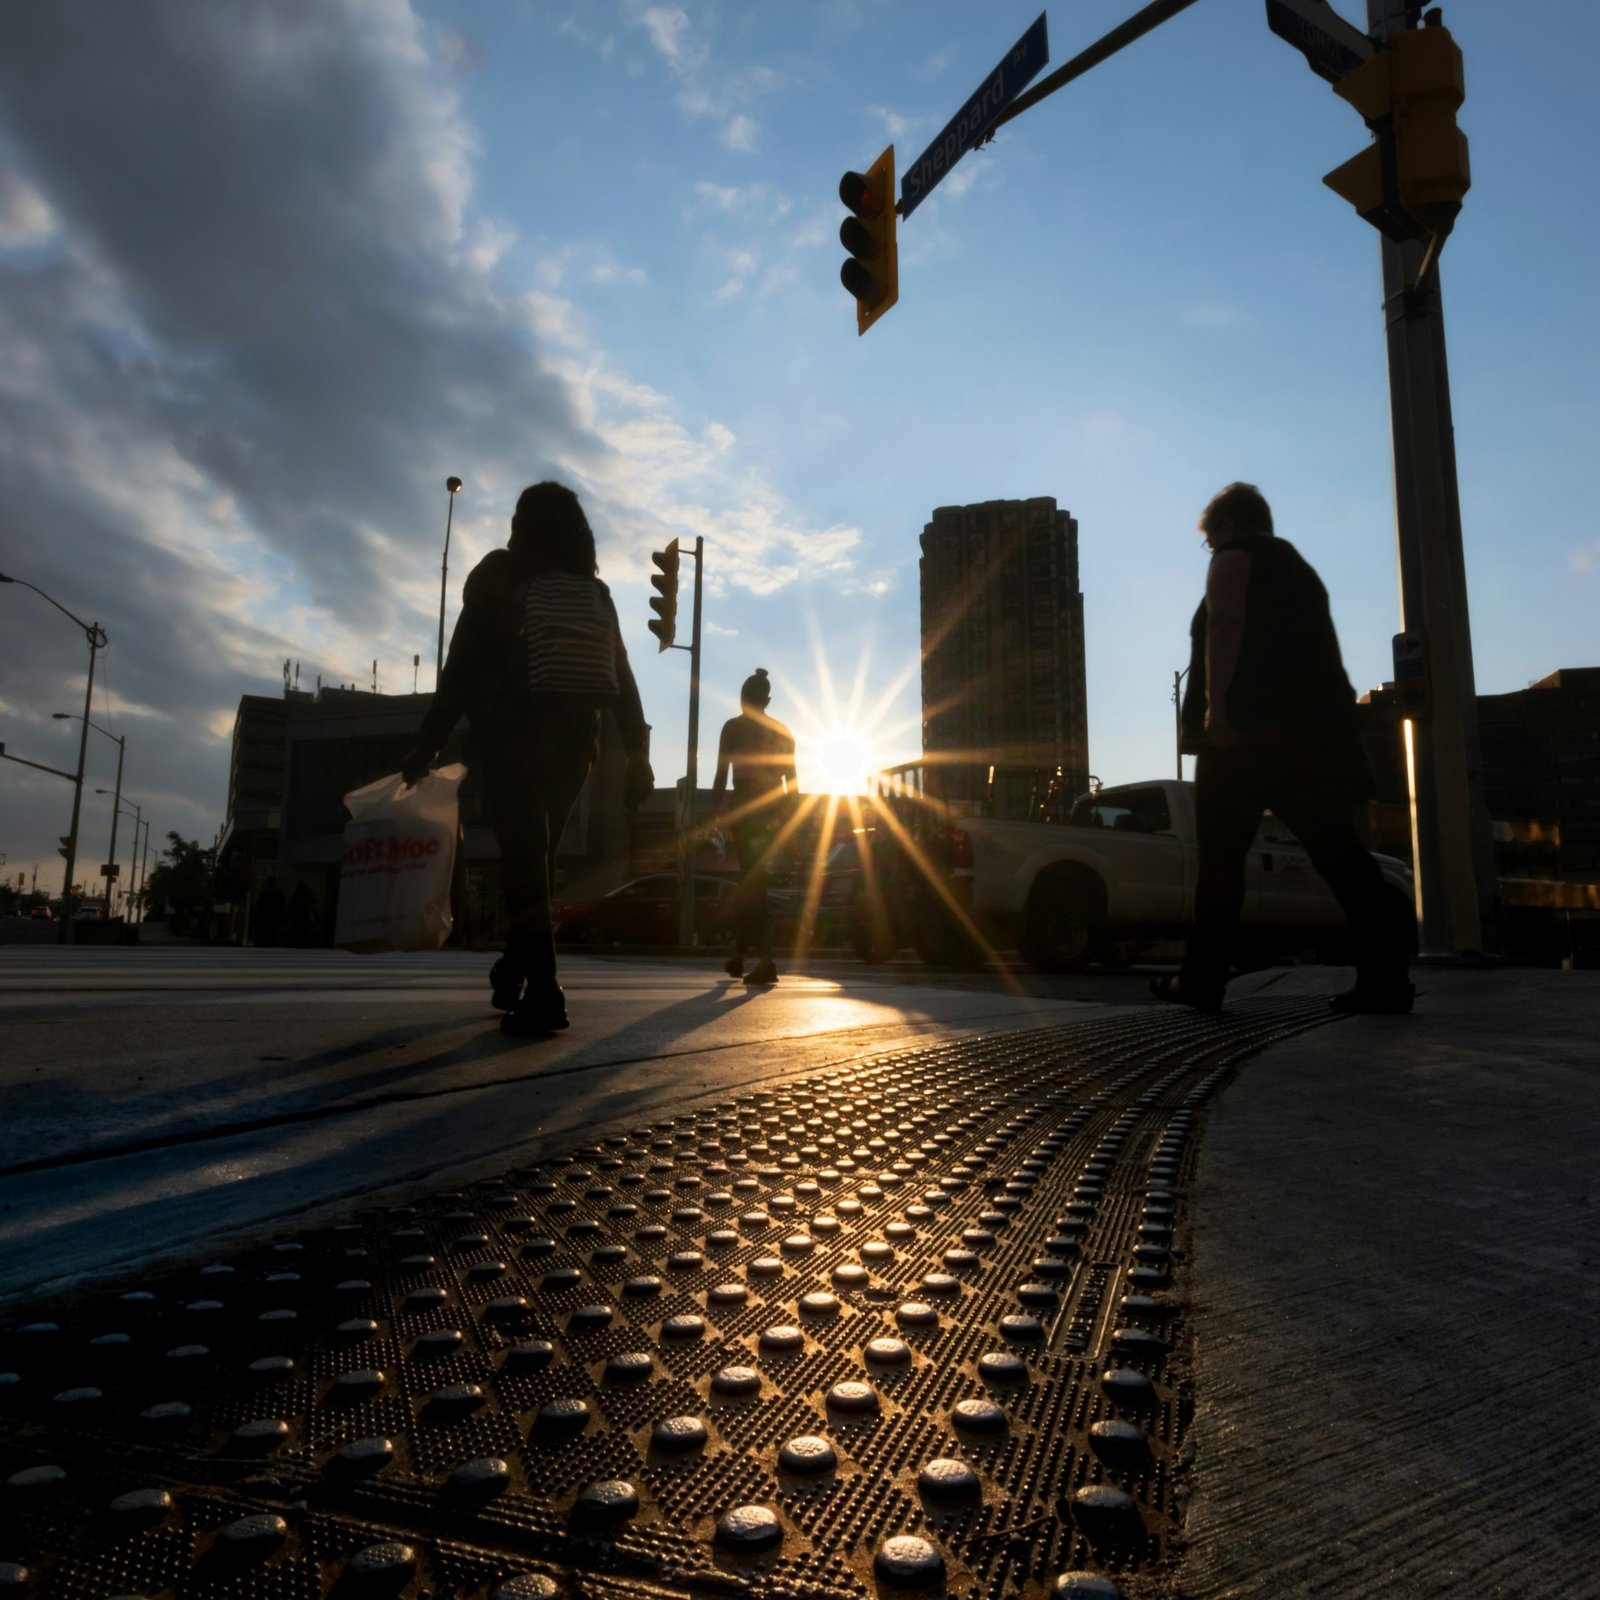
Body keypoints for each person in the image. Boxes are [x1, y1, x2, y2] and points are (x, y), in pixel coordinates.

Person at [402, 482, 653, 1035]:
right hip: (574, 749)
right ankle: (516, 967)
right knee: (532, 863)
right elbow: (622, 675)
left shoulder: (499, 575)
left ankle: (544, 992)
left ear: (525, 527)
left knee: (525, 860)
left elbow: (463, 661)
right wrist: (637, 750)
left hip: (514, 736)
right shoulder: (596, 592)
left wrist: (430, 739)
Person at [1160, 482, 1414, 1015]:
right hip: (1314, 740)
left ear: (1226, 526)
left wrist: (1217, 710)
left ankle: (1202, 979)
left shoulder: (1236, 556)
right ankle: (1386, 974)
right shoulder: (1299, 570)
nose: (1213, 550)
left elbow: (1226, 622)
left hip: (1243, 739)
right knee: (1339, 854)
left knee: (1222, 863)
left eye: (1211, 540)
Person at [711, 667, 797, 986]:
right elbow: (793, 784)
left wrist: (714, 815)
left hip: (748, 809)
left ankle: (764, 958)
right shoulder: (783, 732)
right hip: (773, 812)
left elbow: (722, 775)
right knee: (751, 882)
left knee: (752, 885)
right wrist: (789, 821)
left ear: (744, 698)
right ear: (768, 700)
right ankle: (740, 953)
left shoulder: (733, 728)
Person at [252, 875, 285, 948]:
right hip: (272, 919)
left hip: (265, 919)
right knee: (271, 938)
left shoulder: (264, 892)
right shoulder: (278, 893)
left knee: (265, 938)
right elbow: (281, 907)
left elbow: (259, 906)